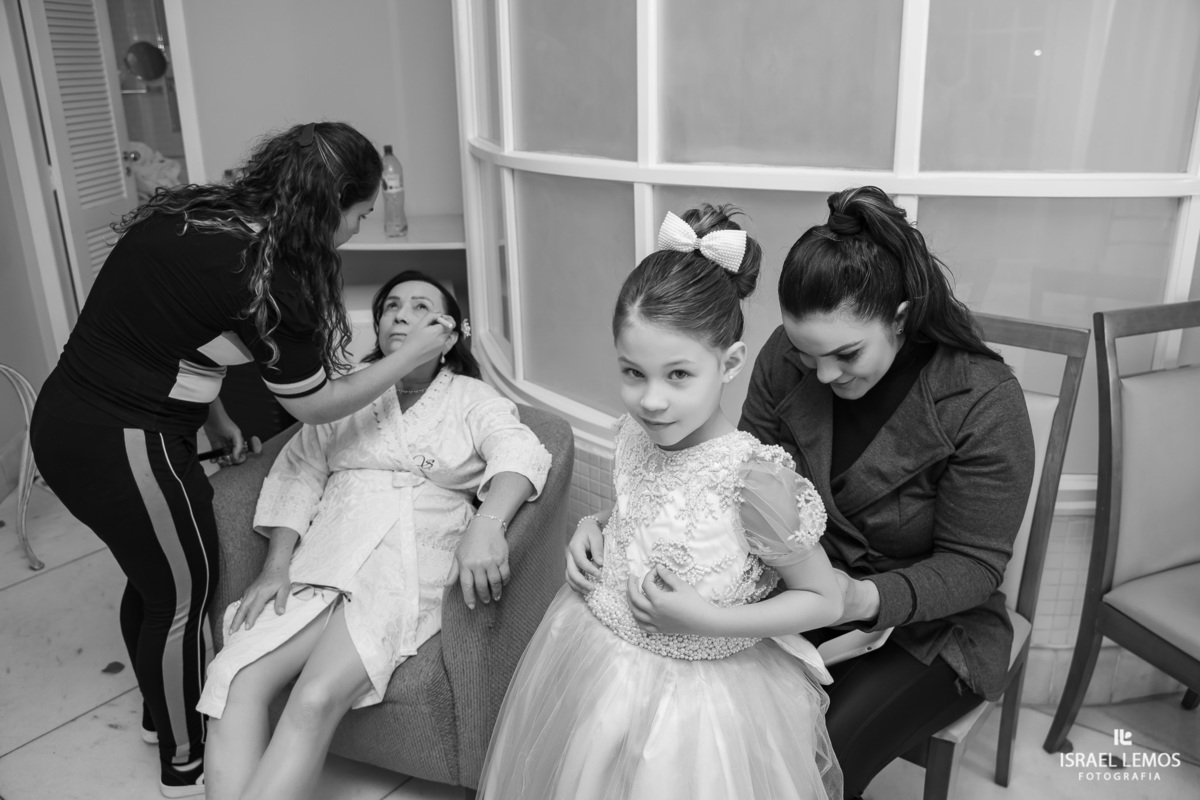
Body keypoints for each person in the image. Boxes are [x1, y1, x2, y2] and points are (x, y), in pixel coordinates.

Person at [29, 122, 456, 798]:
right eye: (360, 214)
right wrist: (410, 357)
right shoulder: (270, 278)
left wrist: (216, 415)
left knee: (151, 575)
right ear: (329, 205)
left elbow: (167, 329)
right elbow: (318, 406)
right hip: (122, 437)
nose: (357, 229)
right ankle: (184, 762)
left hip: (73, 413)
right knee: (181, 595)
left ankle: (159, 716)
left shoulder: (197, 214)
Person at [478, 206, 844, 800]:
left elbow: (824, 599)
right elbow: (646, 506)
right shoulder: (634, 432)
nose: (651, 401)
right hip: (598, 656)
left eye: (678, 375)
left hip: (697, 702)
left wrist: (708, 620)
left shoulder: (755, 480)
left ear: (729, 364)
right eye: (633, 372)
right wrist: (595, 525)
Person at [198, 270, 551, 800]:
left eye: (420, 306)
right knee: (233, 677)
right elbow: (297, 472)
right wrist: (275, 566)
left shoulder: (470, 398)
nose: (402, 315)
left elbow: (519, 452)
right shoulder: (343, 394)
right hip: (326, 554)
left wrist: (488, 523)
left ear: (448, 334)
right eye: (391, 307)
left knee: (314, 699)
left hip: (406, 560)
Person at [739, 186, 1035, 798]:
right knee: (721, 717)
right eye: (807, 353)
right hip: (807, 594)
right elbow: (743, 477)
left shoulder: (983, 401)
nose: (823, 373)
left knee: (814, 761)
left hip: (932, 629)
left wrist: (858, 597)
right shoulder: (787, 358)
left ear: (901, 318)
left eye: (846, 354)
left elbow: (975, 565)